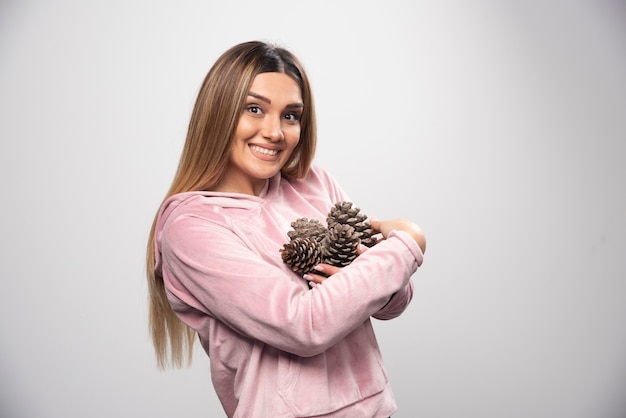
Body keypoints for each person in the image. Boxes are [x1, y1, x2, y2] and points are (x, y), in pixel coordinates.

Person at [146, 40, 427, 418]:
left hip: (374, 409)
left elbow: (394, 299)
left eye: (291, 115)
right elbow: (303, 325)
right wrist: (408, 241)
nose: (274, 132)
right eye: (254, 109)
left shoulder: (315, 183)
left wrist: (376, 277)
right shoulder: (191, 228)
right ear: (219, 113)